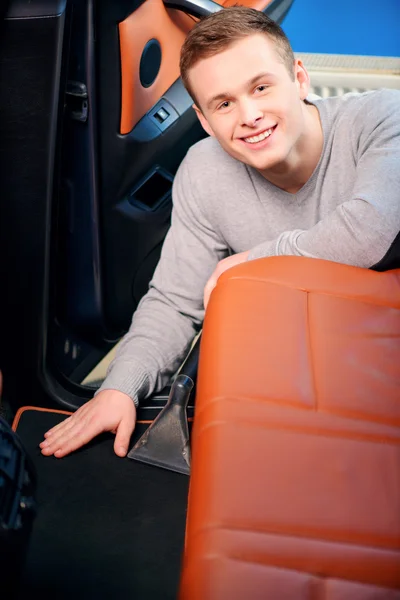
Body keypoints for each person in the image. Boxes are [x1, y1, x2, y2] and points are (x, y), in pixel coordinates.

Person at [40, 7, 400, 459]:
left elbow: (370, 232)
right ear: (205, 120)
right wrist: (120, 388)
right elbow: (173, 302)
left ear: (300, 79)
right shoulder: (204, 169)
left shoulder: (382, 119)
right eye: (224, 103)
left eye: (262, 87)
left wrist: (248, 264)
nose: (249, 115)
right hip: (297, 375)